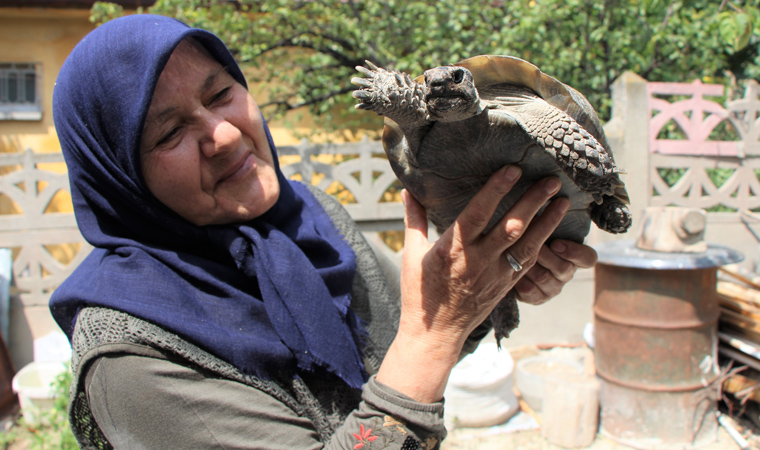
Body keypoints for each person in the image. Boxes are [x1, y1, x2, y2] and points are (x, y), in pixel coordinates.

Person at [50, 14, 597, 450]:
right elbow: (424, 342)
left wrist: (494, 283)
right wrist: (437, 330)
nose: (221, 134)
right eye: (170, 131)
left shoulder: (311, 220)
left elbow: (413, 334)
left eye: (220, 95)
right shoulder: (133, 361)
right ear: (119, 176)